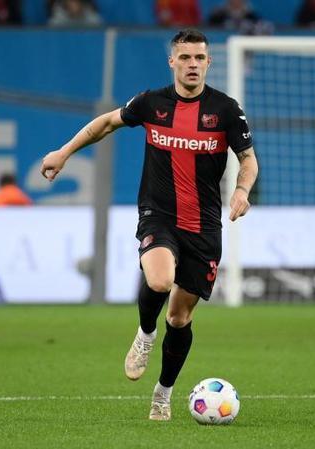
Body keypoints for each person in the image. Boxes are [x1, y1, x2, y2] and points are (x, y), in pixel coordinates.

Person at [40, 29, 258, 421]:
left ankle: (163, 393)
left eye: (199, 58)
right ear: (172, 62)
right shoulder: (152, 103)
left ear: (209, 62)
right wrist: (64, 151)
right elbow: (106, 123)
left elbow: (248, 159)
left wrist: (242, 191)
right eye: (185, 57)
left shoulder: (225, 110)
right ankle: (144, 334)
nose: (192, 64)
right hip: (159, 215)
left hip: (204, 225)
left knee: (179, 317)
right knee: (159, 280)